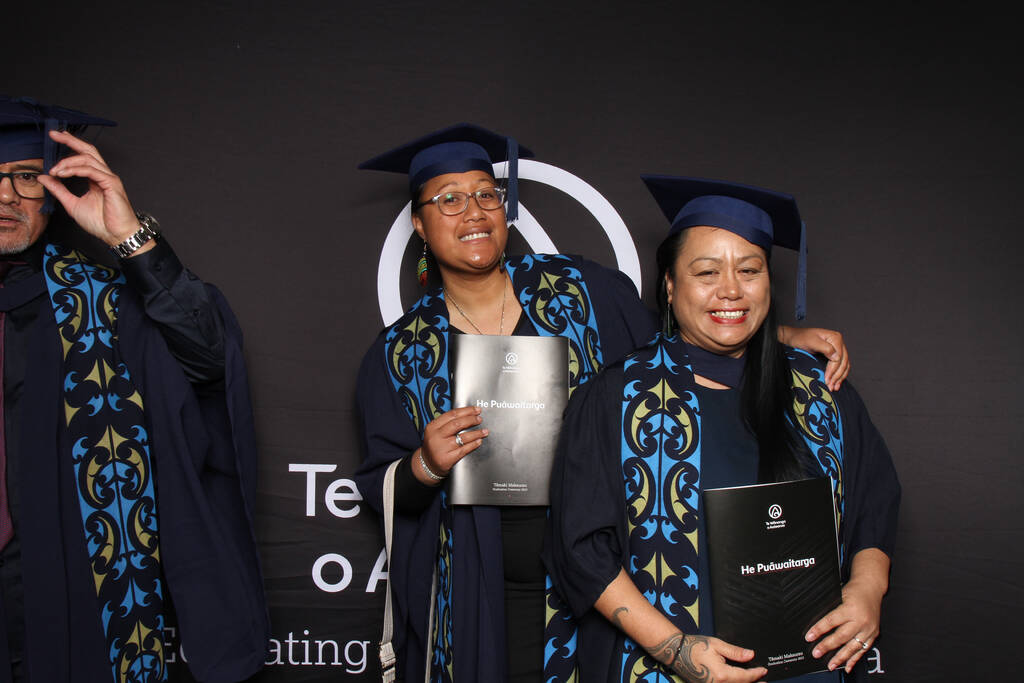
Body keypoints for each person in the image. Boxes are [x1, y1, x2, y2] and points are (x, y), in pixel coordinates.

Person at [354, 125, 851, 683]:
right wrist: (427, 462)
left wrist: (774, 336)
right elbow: (382, 483)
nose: (473, 210)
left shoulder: (582, 292)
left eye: (486, 193)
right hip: (477, 586)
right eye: (449, 199)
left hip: (604, 578)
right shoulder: (401, 352)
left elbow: (678, 342)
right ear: (419, 224)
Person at [543, 175, 900, 683]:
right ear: (670, 284)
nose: (730, 289)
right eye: (706, 271)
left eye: (749, 270)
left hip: (809, 668)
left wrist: (868, 587)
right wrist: (677, 651)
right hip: (670, 667)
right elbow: (579, 548)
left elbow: (874, 497)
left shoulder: (817, 390)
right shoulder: (617, 396)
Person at [0, 96, 269, 682]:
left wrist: (130, 238)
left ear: (54, 188)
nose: (6, 197)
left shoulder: (99, 301)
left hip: (76, 586)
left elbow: (208, 359)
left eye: (25, 177)